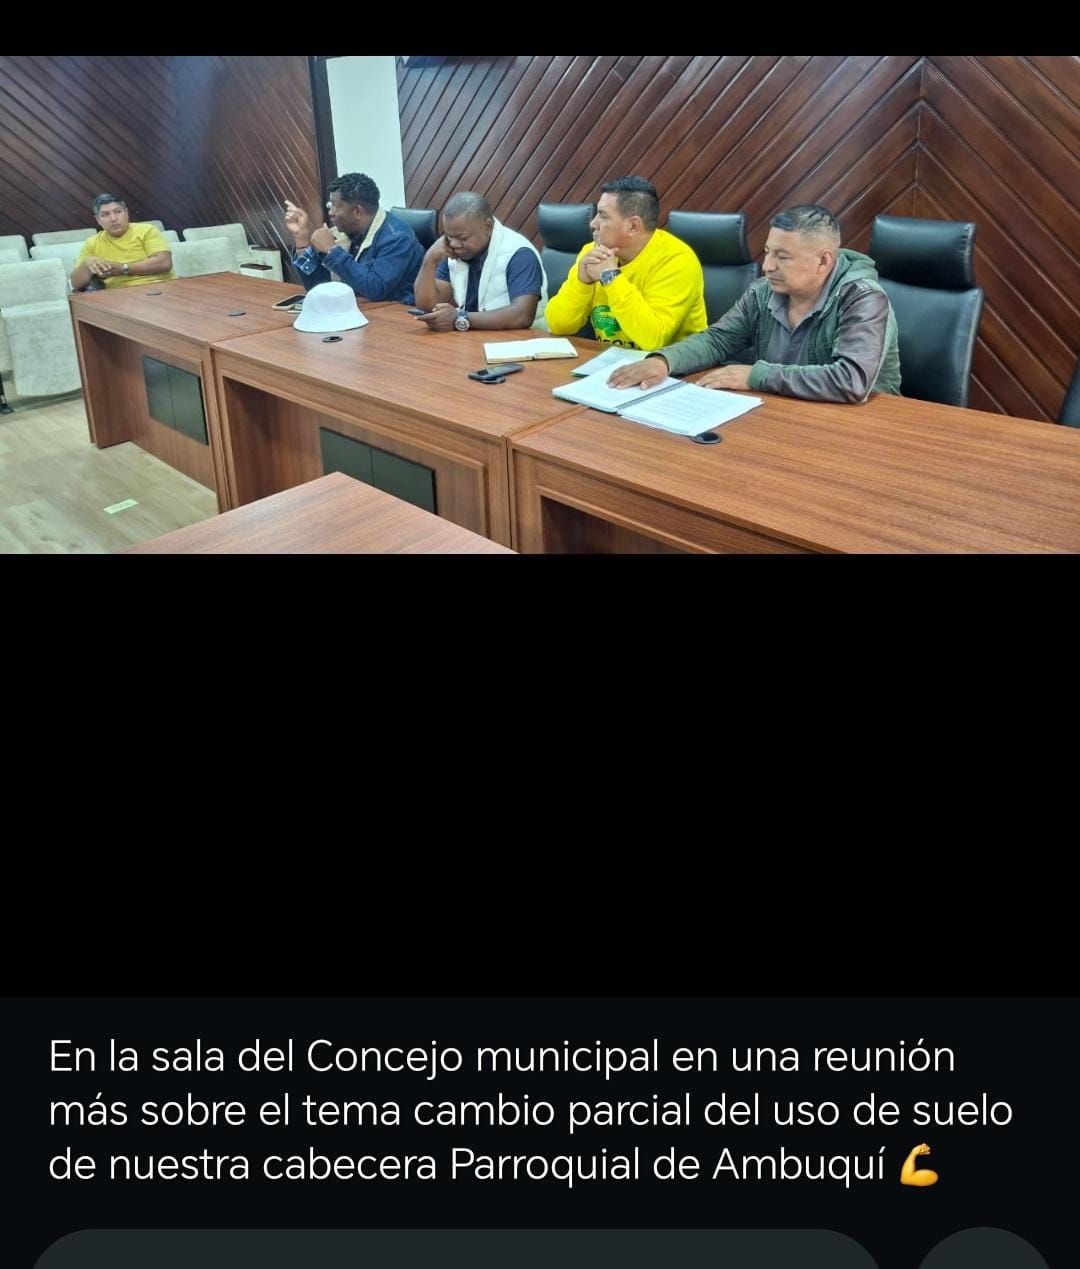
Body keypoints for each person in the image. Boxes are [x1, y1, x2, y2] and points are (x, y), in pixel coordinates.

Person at [608, 203, 901, 403]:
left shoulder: (862, 298)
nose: (767, 266)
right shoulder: (763, 292)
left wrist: (757, 376)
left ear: (824, 260)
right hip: (783, 409)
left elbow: (850, 380)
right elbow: (718, 340)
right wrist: (663, 361)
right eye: (768, 252)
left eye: (782, 257)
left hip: (861, 427)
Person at [544, 176, 706, 350]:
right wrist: (582, 282)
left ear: (633, 226)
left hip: (674, 363)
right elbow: (557, 325)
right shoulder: (593, 251)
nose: (593, 223)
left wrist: (611, 278)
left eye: (603, 216)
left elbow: (653, 340)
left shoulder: (677, 260)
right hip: (610, 359)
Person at [412, 192, 546, 332]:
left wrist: (460, 318)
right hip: (474, 337)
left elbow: (522, 315)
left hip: (522, 340)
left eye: (463, 238)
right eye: (449, 236)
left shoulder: (519, 254)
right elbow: (430, 307)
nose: (454, 244)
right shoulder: (454, 250)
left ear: (488, 227)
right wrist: (429, 260)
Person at [284, 172, 424, 304]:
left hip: (394, 314)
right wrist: (302, 239)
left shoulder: (397, 237)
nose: (330, 213)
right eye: (329, 206)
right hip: (354, 310)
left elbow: (375, 289)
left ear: (357, 211)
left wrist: (332, 251)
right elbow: (318, 286)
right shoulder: (340, 233)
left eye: (334, 206)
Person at [70, 194, 175, 291]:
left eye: (118, 211)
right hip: (119, 295)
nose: (113, 218)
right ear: (98, 220)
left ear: (126, 213)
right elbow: (75, 284)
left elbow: (164, 263)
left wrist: (123, 268)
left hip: (159, 287)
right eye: (105, 214)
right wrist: (85, 265)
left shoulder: (147, 230)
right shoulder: (92, 243)